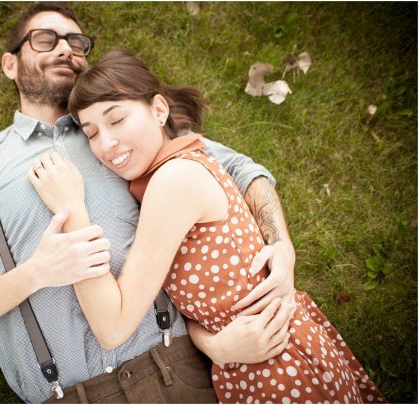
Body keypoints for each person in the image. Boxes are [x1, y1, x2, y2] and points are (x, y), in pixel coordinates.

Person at [0, 3, 297, 403]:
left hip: (177, 375)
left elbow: (241, 171)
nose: (64, 49)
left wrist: (281, 243)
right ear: (9, 65)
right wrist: (34, 274)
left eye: (76, 42)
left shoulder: (127, 131)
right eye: (45, 39)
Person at [29, 49, 386, 404]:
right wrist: (213, 344)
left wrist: (72, 209)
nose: (105, 144)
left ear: (158, 110)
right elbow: (210, 311)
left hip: (278, 365)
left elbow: (113, 327)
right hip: (258, 357)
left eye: (117, 120)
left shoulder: (174, 180)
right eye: (91, 133)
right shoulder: (179, 166)